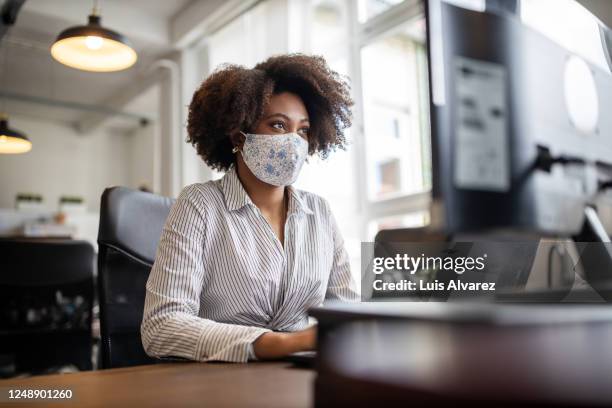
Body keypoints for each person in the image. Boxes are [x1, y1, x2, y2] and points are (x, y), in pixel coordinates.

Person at [141, 54, 358, 363]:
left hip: (301, 376)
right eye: (278, 125)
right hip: (220, 381)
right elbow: (161, 327)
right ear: (237, 134)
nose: (294, 142)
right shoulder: (199, 204)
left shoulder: (319, 213)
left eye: (303, 130)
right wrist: (285, 343)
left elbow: (348, 313)